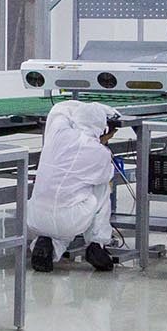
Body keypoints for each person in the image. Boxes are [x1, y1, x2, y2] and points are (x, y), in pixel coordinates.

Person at [28, 101, 120, 273]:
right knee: (101, 188)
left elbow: (59, 108)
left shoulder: (58, 132)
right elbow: (103, 176)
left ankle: (47, 244)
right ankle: (96, 243)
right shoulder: (100, 153)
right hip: (69, 220)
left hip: (34, 217)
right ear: (102, 128)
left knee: (67, 196)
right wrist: (103, 138)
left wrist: (88, 107)